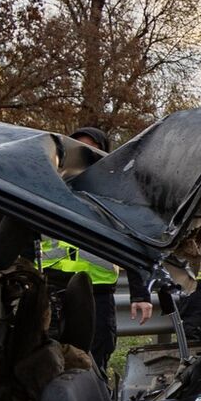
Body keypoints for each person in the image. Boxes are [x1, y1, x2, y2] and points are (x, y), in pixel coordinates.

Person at [39, 126, 154, 372]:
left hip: (96, 293)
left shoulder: (112, 195)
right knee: (48, 360)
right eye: (78, 146)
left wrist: (140, 294)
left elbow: (130, 241)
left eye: (92, 148)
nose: (84, 153)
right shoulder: (49, 188)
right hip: (52, 288)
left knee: (94, 362)